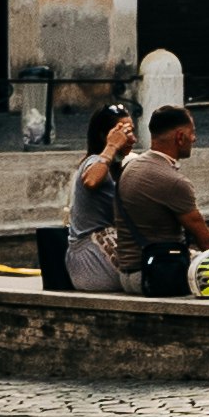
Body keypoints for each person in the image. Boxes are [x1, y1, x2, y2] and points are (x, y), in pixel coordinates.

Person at [106, 101, 209, 295]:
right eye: (192, 132)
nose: (194, 139)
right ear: (180, 137)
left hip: (128, 275)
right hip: (157, 275)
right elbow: (207, 243)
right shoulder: (174, 182)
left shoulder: (131, 168)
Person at [63, 108, 138, 291]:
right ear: (106, 135)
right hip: (90, 259)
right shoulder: (94, 162)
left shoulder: (120, 167)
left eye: (132, 131)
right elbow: (91, 180)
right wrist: (111, 147)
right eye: (125, 133)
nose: (133, 139)